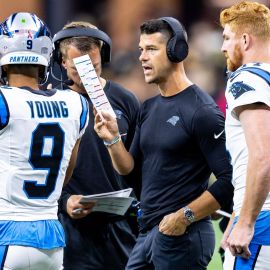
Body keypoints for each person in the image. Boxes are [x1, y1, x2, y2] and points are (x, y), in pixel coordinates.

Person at [94, 17, 234, 270]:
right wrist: (112, 139)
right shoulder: (148, 108)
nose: (142, 58)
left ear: (176, 50)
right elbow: (130, 171)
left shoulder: (202, 111)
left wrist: (184, 216)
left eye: (151, 49)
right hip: (148, 233)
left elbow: (228, 180)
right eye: (140, 50)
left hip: (182, 235)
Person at [0, 12, 89, 269]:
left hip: (6, 231)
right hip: (50, 239)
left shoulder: (5, 101)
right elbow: (66, 174)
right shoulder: (75, 104)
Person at [53, 21, 140, 270]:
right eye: (78, 68)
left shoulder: (125, 100)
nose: (87, 74)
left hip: (121, 226)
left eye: (93, 66)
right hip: (71, 228)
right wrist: (64, 202)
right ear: (62, 63)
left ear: (103, 57)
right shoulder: (55, 103)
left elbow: (139, 166)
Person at [220, 1, 270, 269]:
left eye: (227, 38)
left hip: (262, 221)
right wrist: (234, 218)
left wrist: (246, 222)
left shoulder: (247, 79)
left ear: (245, 39)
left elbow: (263, 157)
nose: (223, 47)